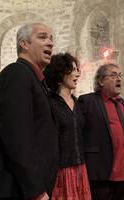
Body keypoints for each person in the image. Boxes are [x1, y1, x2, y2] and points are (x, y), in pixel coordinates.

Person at [0, 23, 59, 200]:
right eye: (42, 37)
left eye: (51, 39)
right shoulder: (17, 74)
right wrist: (36, 191)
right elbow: (17, 139)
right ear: (24, 44)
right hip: (16, 188)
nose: (50, 43)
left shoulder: (35, 79)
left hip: (24, 186)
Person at [78, 63, 124, 200]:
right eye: (113, 75)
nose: (118, 78)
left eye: (119, 75)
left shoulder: (123, 103)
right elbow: (77, 133)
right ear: (101, 81)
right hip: (101, 172)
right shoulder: (88, 101)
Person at [43, 52, 91, 200]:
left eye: (78, 70)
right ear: (60, 73)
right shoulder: (48, 102)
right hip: (60, 172)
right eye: (73, 70)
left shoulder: (78, 103)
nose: (77, 74)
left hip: (81, 168)